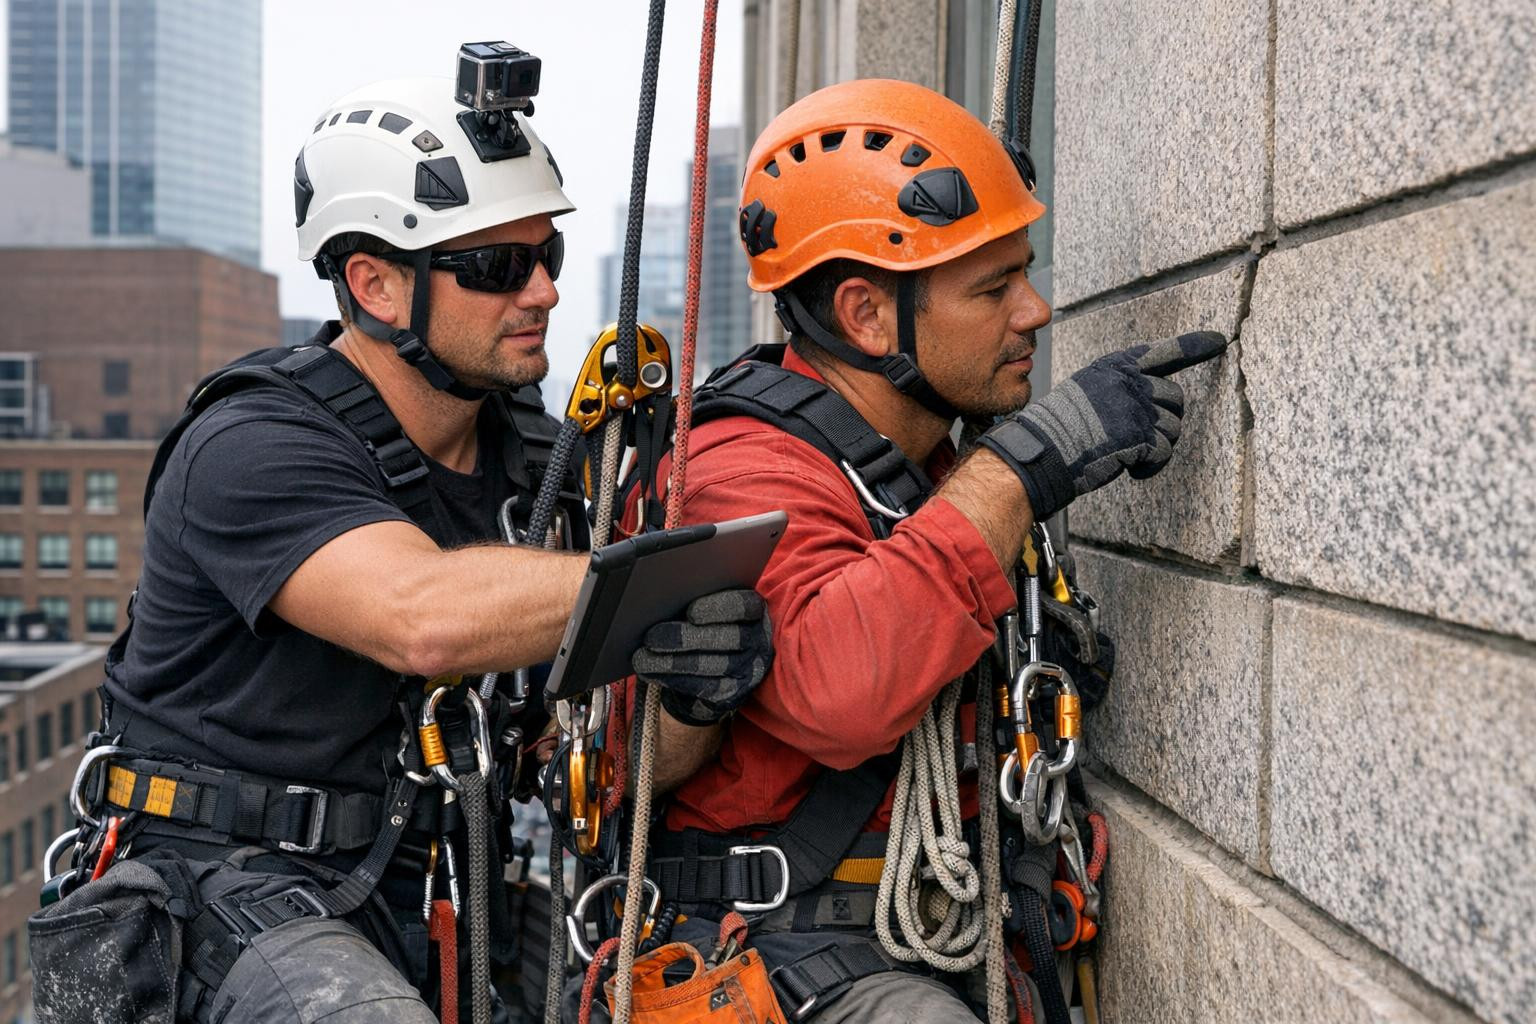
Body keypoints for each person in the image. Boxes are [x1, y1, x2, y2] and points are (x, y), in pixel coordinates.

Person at [30, 71, 771, 1024]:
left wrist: (692, 693)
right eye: (497, 265)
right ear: (374, 285)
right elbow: (420, 618)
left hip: (435, 906)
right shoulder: (251, 445)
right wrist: (651, 587)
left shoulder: (542, 473)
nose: (543, 290)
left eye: (546, 253)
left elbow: (585, 773)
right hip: (221, 900)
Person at [627, 78, 1229, 1022]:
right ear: (866, 315)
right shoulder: (738, 469)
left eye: (1023, 274)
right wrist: (1024, 468)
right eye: (993, 289)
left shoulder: (928, 464)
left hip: (949, 936)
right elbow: (840, 690)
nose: (1034, 311)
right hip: (782, 951)